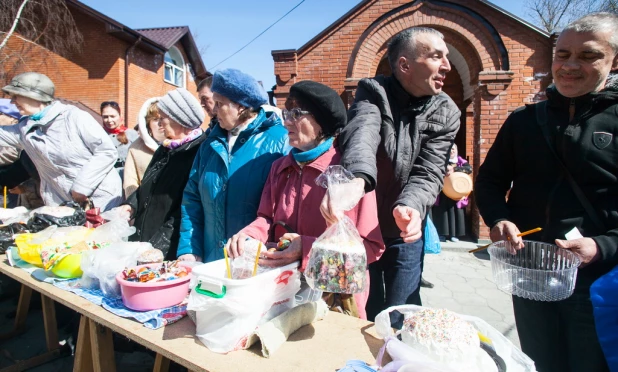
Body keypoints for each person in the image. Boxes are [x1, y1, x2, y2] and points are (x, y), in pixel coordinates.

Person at [475, 13, 618, 372]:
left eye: (588, 56)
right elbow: (490, 181)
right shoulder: (523, 121)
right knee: (538, 363)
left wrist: (602, 246)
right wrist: (499, 218)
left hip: (598, 285)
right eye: (562, 54)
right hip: (530, 275)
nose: (570, 66)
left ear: (614, 60)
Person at [322, 27, 461, 327]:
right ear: (404, 65)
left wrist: (411, 204)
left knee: (401, 314)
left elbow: (430, 169)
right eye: (437, 56)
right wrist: (357, 180)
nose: (447, 66)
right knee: (362, 310)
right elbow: (363, 133)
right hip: (363, 229)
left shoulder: (447, 111)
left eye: (446, 57)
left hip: (406, 229)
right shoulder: (373, 91)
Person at [227, 81, 385, 319]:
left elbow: (371, 248)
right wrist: (249, 235)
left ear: (322, 123)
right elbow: (267, 219)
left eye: (296, 114)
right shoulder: (279, 168)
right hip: (282, 293)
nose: (286, 121)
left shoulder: (349, 175)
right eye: (285, 113)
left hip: (332, 302)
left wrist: (307, 249)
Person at [177, 68, 288, 263]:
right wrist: (190, 248)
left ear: (241, 107)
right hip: (212, 259)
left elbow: (284, 209)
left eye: (220, 104)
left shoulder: (279, 141)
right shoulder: (209, 145)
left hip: (256, 263)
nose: (214, 110)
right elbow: (192, 198)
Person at [0, 72, 122, 210]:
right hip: (61, 204)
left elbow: (106, 152)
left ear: (35, 96)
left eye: (16, 96)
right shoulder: (24, 128)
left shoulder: (74, 117)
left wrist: (82, 188)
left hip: (98, 200)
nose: (12, 101)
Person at [120, 89, 206, 260]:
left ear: (180, 120)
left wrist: (158, 247)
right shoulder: (165, 148)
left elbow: (184, 209)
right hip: (145, 240)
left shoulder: (197, 152)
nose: (160, 123)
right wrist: (131, 205)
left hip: (167, 250)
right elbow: (147, 186)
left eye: (163, 118)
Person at [123, 98, 166, 197]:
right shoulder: (136, 148)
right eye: (155, 119)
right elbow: (130, 181)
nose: (160, 123)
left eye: (163, 118)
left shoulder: (182, 145)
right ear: (148, 124)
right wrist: (134, 205)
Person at [431, 143, 471, 242]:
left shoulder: (461, 161)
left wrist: (455, 169)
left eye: (453, 149)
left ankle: (454, 235)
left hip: (456, 193)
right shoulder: (442, 160)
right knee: (442, 212)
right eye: (450, 149)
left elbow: (469, 169)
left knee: (455, 212)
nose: (452, 151)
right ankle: (442, 234)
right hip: (443, 192)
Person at [100, 101, 139, 181]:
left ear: (120, 116)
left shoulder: (132, 135)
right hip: (105, 178)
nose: (109, 120)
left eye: (112, 116)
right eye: (105, 117)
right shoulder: (98, 135)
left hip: (127, 177)